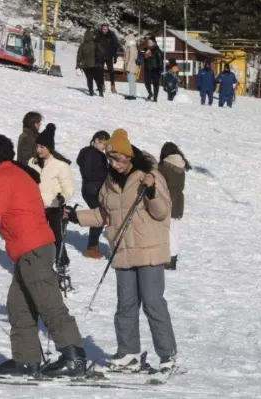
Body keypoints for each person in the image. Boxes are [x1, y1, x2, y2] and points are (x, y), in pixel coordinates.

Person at [0, 134, 88, 378]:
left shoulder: (4, 177)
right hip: (28, 250)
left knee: (49, 303)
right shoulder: (17, 173)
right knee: (18, 305)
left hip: (33, 248)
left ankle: (73, 358)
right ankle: (26, 360)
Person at [65, 129, 177, 373]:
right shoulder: (108, 184)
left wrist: (151, 191)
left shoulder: (149, 175)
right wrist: (75, 216)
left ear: (128, 156)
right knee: (125, 305)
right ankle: (128, 352)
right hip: (122, 251)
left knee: (153, 302)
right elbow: (104, 215)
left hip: (149, 250)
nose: (114, 165)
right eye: (111, 160)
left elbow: (161, 212)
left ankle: (167, 354)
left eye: (118, 159)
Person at [27, 124, 75, 291]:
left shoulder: (60, 165)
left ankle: (63, 269)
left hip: (55, 207)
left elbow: (68, 188)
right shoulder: (32, 163)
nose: (39, 150)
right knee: (37, 239)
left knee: (57, 239)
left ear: (50, 148)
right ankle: (39, 268)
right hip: (37, 208)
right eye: (38, 146)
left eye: (43, 147)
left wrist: (63, 197)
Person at [76, 131, 110, 259]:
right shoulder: (88, 153)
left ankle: (93, 246)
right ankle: (91, 247)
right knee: (98, 217)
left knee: (100, 217)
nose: (103, 146)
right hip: (91, 190)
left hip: (97, 189)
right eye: (102, 143)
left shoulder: (100, 155)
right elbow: (88, 174)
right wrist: (103, 175)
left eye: (105, 144)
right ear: (95, 140)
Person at [158, 142, 191, 271]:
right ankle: (174, 257)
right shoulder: (180, 164)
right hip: (178, 200)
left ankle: (169, 259)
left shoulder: (164, 166)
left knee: (168, 230)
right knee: (175, 229)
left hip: (167, 199)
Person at [76, 30, 105, 97]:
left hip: (86, 65)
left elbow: (79, 56)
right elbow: (102, 52)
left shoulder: (82, 45)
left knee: (89, 79)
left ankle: (91, 92)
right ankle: (101, 92)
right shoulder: (96, 44)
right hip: (96, 64)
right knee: (97, 79)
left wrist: (78, 65)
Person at [95, 24, 122, 94]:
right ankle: (101, 85)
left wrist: (115, 56)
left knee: (111, 71)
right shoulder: (98, 35)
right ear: (101, 29)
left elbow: (116, 45)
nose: (105, 30)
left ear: (108, 29)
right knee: (100, 71)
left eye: (106, 29)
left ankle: (113, 86)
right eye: (103, 29)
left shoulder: (112, 35)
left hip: (109, 56)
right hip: (101, 56)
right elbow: (95, 46)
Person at [122, 33, 138, 100]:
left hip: (131, 67)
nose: (125, 41)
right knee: (131, 81)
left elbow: (131, 58)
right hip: (130, 66)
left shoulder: (132, 48)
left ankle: (132, 95)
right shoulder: (130, 47)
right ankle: (132, 94)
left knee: (131, 81)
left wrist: (127, 68)